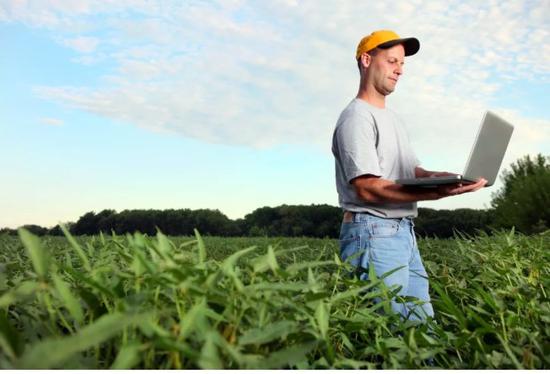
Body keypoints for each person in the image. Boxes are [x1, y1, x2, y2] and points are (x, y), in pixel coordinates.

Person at [331, 30, 487, 322]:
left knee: (420, 332)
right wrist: (435, 193)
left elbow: (412, 170)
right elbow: (367, 188)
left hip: (402, 232)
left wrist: (447, 178)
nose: (399, 69)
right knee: (387, 333)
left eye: (402, 64)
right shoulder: (356, 118)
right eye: (392, 61)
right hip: (373, 231)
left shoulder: (393, 119)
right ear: (367, 60)